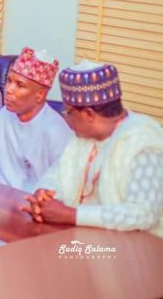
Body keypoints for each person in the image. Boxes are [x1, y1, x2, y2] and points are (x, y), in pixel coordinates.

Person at [21, 61, 163, 237]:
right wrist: (43, 195)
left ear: (88, 114)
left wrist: (71, 215)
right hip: (82, 240)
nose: (68, 120)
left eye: (68, 112)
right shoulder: (82, 138)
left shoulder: (143, 143)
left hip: (135, 252)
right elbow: (56, 174)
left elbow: (143, 213)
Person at [0, 47, 72, 192]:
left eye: (20, 85)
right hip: (0, 202)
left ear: (40, 95)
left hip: (36, 208)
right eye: (9, 81)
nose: (9, 90)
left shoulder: (56, 131)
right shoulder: (3, 116)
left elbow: (63, 187)